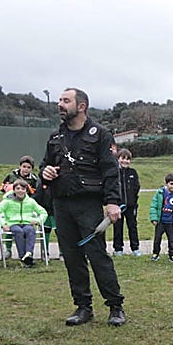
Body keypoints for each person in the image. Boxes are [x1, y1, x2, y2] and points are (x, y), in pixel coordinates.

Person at [39, 87, 126, 327]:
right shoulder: (55, 137)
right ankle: (83, 307)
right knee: (72, 257)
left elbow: (111, 170)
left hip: (88, 204)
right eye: (59, 100)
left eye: (66, 100)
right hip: (61, 203)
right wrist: (44, 172)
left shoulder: (101, 135)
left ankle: (115, 306)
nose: (60, 104)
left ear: (81, 106)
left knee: (97, 255)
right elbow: (45, 164)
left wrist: (112, 201)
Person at [0, 179, 48, 267]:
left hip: (27, 223)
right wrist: (3, 224)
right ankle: (22, 257)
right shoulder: (7, 202)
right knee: (18, 232)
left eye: (23, 189)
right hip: (13, 224)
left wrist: (38, 221)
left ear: (26, 190)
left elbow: (43, 213)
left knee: (30, 231)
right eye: (18, 188)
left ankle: (28, 254)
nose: (20, 191)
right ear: (14, 190)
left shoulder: (31, 202)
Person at [0, 156, 42, 259]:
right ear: (20, 166)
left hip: (25, 206)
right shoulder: (11, 175)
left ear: (31, 169)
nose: (26, 169)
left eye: (28, 167)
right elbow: (2, 188)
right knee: (11, 224)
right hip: (11, 205)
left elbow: (35, 193)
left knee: (27, 230)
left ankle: (27, 253)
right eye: (24, 166)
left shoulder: (33, 179)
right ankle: (8, 250)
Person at [149, 173, 173, 261]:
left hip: (170, 222)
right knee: (157, 238)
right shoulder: (159, 193)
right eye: (171, 184)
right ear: (166, 184)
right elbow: (153, 206)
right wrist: (154, 218)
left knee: (171, 239)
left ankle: (172, 255)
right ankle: (155, 253)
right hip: (160, 221)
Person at [113, 148, 142, 256]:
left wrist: (133, 201)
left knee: (132, 227)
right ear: (118, 159)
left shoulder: (133, 172)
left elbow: (136, 187)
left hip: (131, 206)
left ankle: (135, 248)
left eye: (128, 159)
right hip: (118, 206)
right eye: (123, 158)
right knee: (118, 228)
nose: (125, 161)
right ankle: (118, 249)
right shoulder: (115, 172)